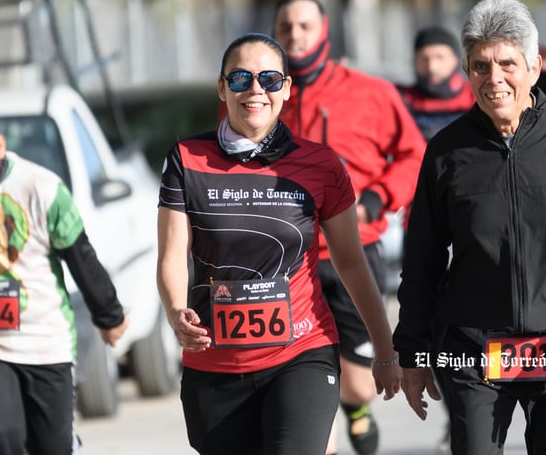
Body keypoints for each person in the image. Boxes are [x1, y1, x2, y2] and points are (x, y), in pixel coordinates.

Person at [393, 0, 546, 455]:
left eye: (507, 63)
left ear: (534, 66)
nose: (495, 79)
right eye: (480, 66)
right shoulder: (447, 151)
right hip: (471, 350)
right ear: (466, 73)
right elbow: (423, 257)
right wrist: (411, 351)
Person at [156, 32, 401, 455]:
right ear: (221, 87)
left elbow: (350, 261)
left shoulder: (321, 164)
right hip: (215, 363)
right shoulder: (186, 159)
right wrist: (177, 310)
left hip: (302, 353)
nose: (255, 90)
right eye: (240, 79)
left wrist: (384, 350)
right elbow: (173, 253)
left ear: (286, 89)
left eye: (269, 79)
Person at [271, 0, 426, 455]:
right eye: (285, 27)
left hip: (353, 251)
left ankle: (357, 407)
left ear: (324, 30)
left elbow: (414, 154)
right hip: (285, 257)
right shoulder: (259, 96)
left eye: (303, 26)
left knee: (358, 385)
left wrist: (378, 199)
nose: (294, 35)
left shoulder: (372, 93)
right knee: (298, 368)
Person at [0, 102, 129, 455]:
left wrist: (109, 315)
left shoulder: (42, 188)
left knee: (52, 447)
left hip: (45, 339)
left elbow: (80, 255)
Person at [398, 25, 476, 141]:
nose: (432, 67)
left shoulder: (477, 96)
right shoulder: (400, 100)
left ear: (456, 59)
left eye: (440, 57)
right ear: (414, 61)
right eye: (424, 59)